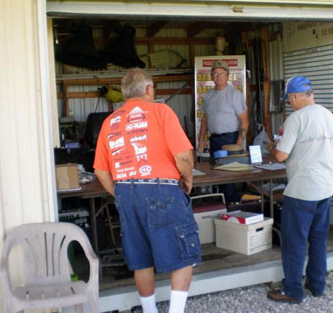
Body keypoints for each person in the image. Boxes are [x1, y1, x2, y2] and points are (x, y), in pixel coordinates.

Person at [94, 68, 201, 313]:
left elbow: (101, 172)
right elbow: (183, 155)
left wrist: (120, 194)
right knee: (184, 253)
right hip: (162, 189)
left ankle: (150, 310)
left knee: (140, 257)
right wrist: (188, 178)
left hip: (125, 191)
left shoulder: (109, 122)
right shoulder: (161, 111)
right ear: (149, 90)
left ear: (123, 94)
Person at [266, 76, 333, 304]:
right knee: (318, 240)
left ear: (295, 97)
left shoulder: (296, 119)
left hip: (301, 191)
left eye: (290, 99)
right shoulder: (329, 115)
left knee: (294, 242)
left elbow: (281, 155)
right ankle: (317, 285)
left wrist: (271, 146)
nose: (290, 103)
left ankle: (293, 290)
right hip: (325, 188)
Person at [197, 60, 249, 203]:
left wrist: (238, 144)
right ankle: (220, 206)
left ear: (227, 76)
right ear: (211, 76)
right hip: (214, 139)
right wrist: (201, 141)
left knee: (228, 177)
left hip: (230, 140)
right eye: (215, 73)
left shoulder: (234, 94)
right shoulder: (209, 96)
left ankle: (232, 207)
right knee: (216, 174)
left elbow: (244, 120)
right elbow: (205, 120)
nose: (218, 76)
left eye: (222, 74)